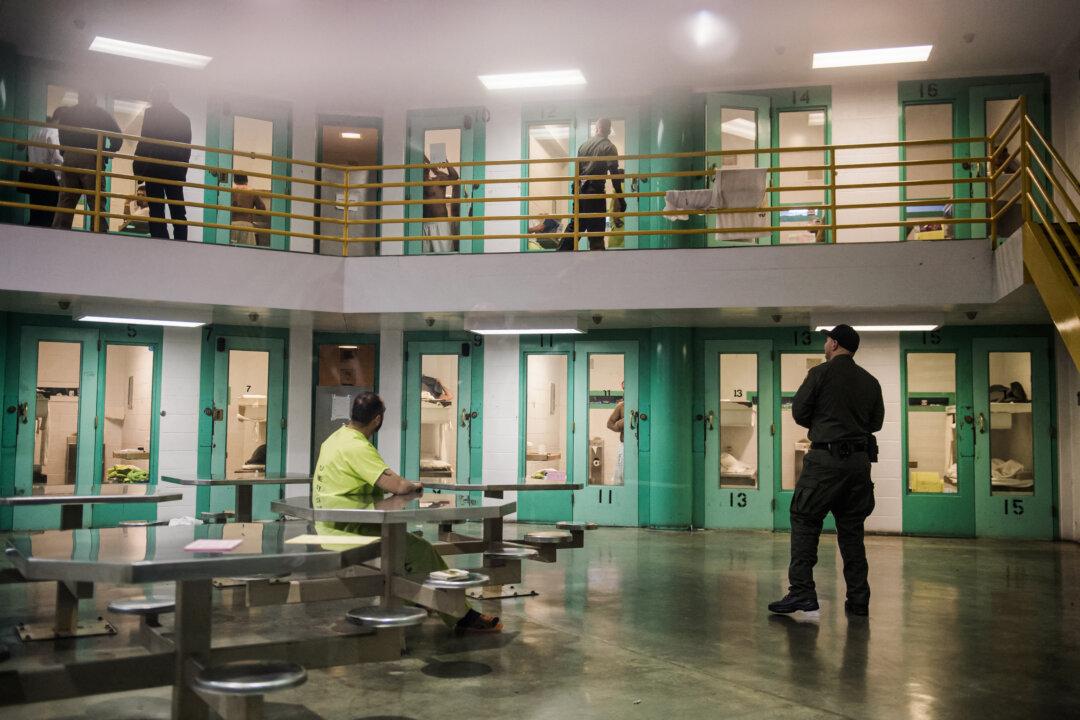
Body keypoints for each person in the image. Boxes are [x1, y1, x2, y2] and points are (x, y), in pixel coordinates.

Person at [312, 392, 502, 634]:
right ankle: (460, 614)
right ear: (377, 419)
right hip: (347, 531)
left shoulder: (334, 439)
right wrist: (413, 485)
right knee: (420, 550)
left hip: (334, 524)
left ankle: (419, 603)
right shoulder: (357, 446)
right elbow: (398, 486)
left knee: (412, 546)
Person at [769, 324, 884, 618]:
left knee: (805, 520)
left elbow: (799, 412)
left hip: (825, 462)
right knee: (852, 531)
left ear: (833, 344)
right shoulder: (870, 381)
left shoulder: (819, 374)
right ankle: (858, 599)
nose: (825, 346)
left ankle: (802, 592)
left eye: (827, 341)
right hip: (858, 465)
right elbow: (876, 423)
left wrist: (825, 423)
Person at [51, 89, 122, 231]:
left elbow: (61, 135)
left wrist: (65, 152)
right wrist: (108, 151)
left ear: (79, 98)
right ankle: (98, 232)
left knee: (66, 200)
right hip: (91, 157)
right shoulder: (100, 113)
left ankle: (59, 231)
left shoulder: (68, 113)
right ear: (93, 99)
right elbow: (117, 136)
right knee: (96, 201)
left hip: (70, 157)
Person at [133, 84, 192, 240]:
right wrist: (182, 172)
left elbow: (145, 141)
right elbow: (186, 149)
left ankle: (160, 242)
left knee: (156, 211)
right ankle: (180, 243)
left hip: (154, 168)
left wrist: (138, 168)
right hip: (174, 170)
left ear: (155, 97)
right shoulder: (182, 118)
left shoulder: (151, 114)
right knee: (178, 211)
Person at [558, 118, 626, 252]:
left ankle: (558, 255)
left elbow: (577, 173)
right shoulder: (609, 147)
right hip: (595, 194)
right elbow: (614, 174)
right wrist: (621, 197)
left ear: (596, 128)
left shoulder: (583, 146)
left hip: (581, 193)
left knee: (575, 228)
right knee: (596, 234)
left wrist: (575, 195)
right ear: (609, 130)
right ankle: (597, 261)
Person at [16, 115, 62, 227]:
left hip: (34, 176)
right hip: (49, 178)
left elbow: (30, 156)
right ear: (59, 120)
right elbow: (57, 159)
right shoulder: (54, 133)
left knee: (36, 214)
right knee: (49, 217)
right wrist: (61, 182)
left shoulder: (35, 134)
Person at [421, 154, 460, 253]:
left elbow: (454, 177)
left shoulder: (439, 178)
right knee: (424, 256)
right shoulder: (415, 183)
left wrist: (445, 162)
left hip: (441, 224)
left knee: (445, 254)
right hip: (423, 224)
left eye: (425, 166)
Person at [229, 174, 266, 245]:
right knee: (248, 249)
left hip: (232, 224)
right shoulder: (252, 191)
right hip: (247, 225)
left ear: (234, 180)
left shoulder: (230, 191)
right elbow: (262, 210)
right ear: (246, 181)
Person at [606, 383, 625, 483]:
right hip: (625, 445)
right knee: (620, 477)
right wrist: (621, 423)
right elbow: (609, 424)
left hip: (642, 447)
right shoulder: (621, 406)